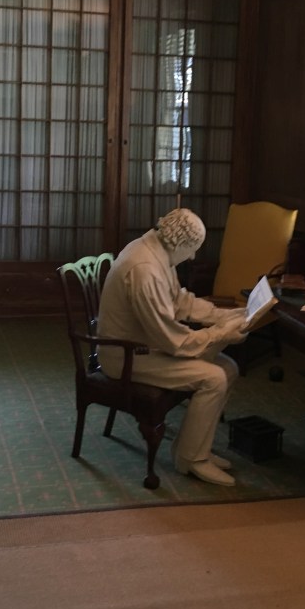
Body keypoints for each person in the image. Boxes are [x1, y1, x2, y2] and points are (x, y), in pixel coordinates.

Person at [97, 208, 249, 486]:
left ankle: (189, 450)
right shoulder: (144, 269)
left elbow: (179, 302)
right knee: (213, 378)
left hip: (144, 346)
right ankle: (192, 460)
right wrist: (219, 333)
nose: (192, 257)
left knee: (228, 368)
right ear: (179, 243)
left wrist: (222, 316)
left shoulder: (156, 250)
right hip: (126, 356)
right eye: (192, 250)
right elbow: (171, 339)